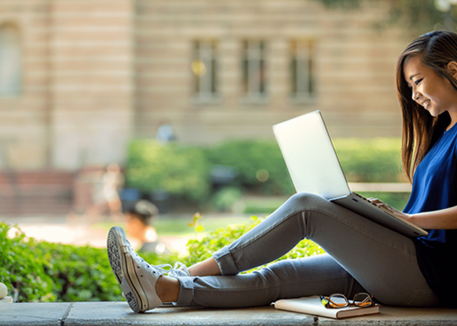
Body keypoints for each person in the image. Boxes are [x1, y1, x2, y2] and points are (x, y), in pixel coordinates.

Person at [106, 30, 457, 313]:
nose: (414, 95)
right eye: (409, 86)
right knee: (280, 276)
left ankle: (183, 272)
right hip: (410, 259)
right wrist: (380, 217)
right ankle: (163, 290)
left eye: (418, 81)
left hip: (432, 275)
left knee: (307, 207)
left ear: (453, 70)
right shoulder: (442, 133)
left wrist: (413, 220)